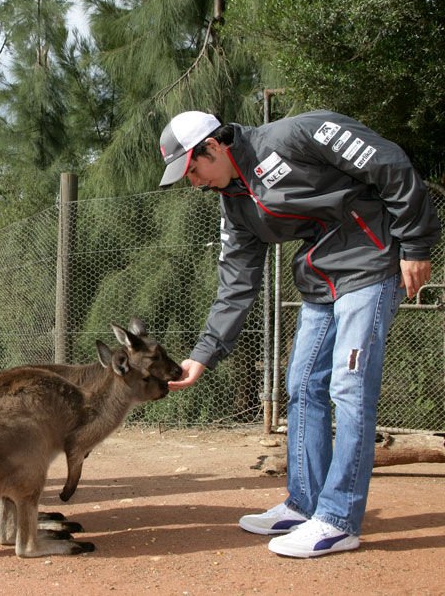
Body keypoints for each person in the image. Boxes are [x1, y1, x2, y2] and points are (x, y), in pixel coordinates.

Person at [158, 110, 440, 558]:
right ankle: (304, 504)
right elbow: (236, 282)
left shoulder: (297, 134)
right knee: (302, 386)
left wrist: (416, 244)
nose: (194, 182)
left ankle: (338, 520)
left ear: (214, 146)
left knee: (349, 389)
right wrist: (204, 354)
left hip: (370, 262)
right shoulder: (234, 203)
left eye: (193, 168)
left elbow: (389, 164)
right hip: (320, 280)